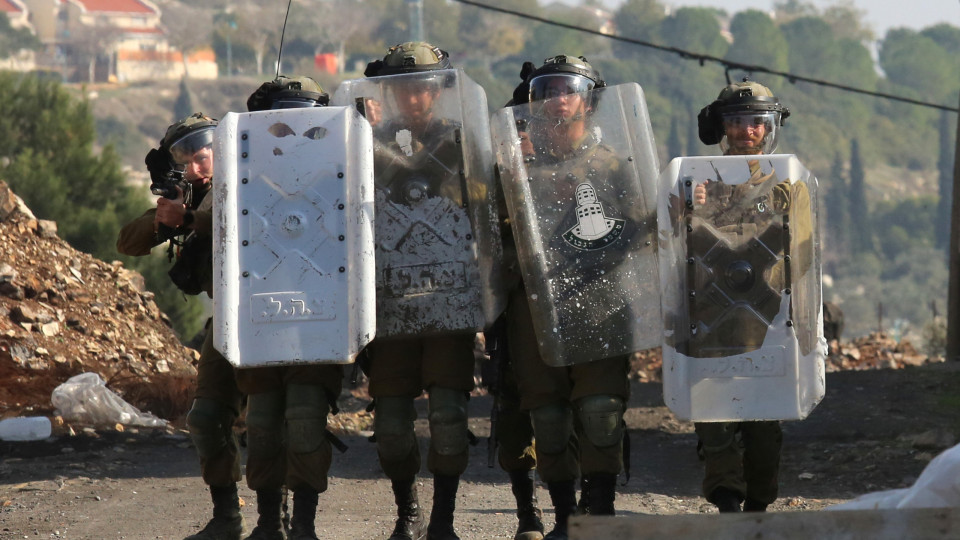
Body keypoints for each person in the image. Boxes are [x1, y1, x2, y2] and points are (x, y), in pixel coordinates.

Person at [498, 55, 634, 540]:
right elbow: (484, 231)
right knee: (548, 417)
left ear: (589, 101)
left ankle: (598, 511)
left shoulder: (615, 165)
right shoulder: (512, 170)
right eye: (548, 90)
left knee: (599, 411)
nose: (558, 99)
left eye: (568, 90)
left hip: (599, 302)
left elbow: (640, 230)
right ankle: (561, 517)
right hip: (535, 308)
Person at [359, 42, 478, 540]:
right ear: (389, 92)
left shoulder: (463, 144)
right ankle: (407, 512)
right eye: (403, 87)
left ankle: (443, 520)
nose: (413, 95)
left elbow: (485, 214)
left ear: (438, 90)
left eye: (423, 86)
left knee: (449, 419)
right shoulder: (364, 144)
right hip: (390, 306)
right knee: (390, 427)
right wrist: (358, 134)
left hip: (449, 300)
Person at [117, 114, 246, 540]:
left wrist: (192, 217)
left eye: (203, 156)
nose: (196, 167)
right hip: (225, 324)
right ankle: (227, 516)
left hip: (267, 317)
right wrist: (167, 216)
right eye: (186, 160)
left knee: (270, 421)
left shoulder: (248, 187)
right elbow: (128, 243)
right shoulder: (186, 197)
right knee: (207, 418)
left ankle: (280, 520)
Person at [233, 76, 345, 540]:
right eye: (281, 124)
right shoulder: (243, 175)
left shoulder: (339, 172)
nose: (292, 134)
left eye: (305, 122)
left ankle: (303, 524)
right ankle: (266, 522)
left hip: (317, 320)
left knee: (304, 421)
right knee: (261, 424)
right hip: (260, 319)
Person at [692, 78, 807, 513]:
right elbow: (670, 246)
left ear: (770, 128)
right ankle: (726, 501)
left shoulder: (786, 184)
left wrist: (791, 215)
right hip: (711, 320)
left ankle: (758, 506)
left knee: (763, 431)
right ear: (721, 127)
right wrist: (687, 206)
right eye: (736, 122)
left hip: (769, 323)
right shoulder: (698, 180)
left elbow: (806, 257)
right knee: (715, 422)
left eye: (756, 123)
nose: (746, 131)